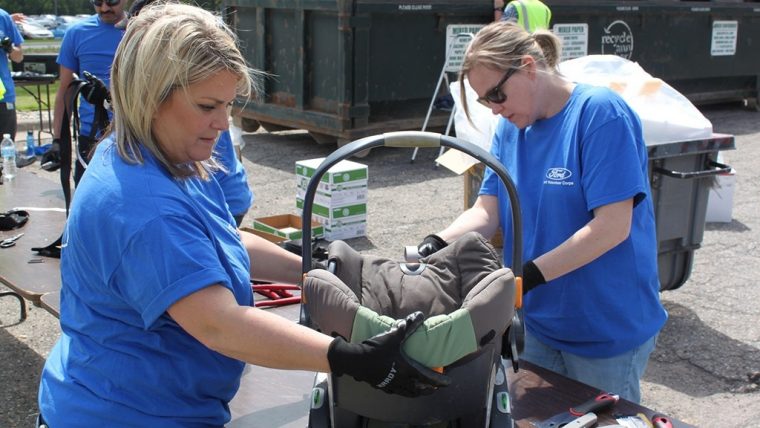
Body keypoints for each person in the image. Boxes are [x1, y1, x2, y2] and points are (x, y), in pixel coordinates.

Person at [37, 3, 448, 426]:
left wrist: (317, 268)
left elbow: (225, 240)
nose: (222, 123)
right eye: (207, 106)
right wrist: (350, 359)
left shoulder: (165, 154)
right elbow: (221, 325)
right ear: (151, 94)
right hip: (125, 413)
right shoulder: (142, 207)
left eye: (228, 105)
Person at [416, 21, 666, 404]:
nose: (496, 110)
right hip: (539, 325)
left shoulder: (600, 115)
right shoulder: (511, 128)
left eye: (497, 94)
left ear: (529, 67)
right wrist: (436, 244)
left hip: (605, 328)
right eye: (486, 101)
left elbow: (611, 227)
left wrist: (526, 277)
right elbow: (488, 210)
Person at [51, 0, 126, 184]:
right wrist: (58, 140)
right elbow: (65, 92)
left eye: (112, 1)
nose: (104, 8)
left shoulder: (138, 32)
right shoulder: (77, 33)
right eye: (98, 2)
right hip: (90, 137)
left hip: (129, 138)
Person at [0, 8, 24, 140]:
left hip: (2, 94)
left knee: (5, 150)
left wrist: (8, 47)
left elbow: (18, 57)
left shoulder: (3, 17)